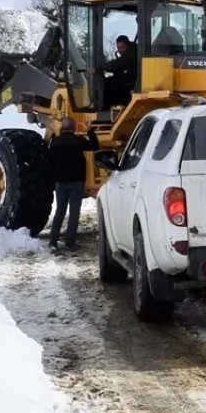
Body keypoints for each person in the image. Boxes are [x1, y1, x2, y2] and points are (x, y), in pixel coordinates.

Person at [46, 117, 99, 251]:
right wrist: (90, 131)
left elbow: (49, 161)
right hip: (76, 182)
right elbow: (94, 146)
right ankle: (70, 242)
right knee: (74, 213)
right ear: (74, 128)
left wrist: (51, 134)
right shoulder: (78, 140)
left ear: (62, 128)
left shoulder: (55, 142)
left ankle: (53, 241)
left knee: (60, 212)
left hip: (60, 183)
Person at [99, 35, 138, 107]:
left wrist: (99, 68)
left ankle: (106, 107)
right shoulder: (133, 50)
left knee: (109, 83)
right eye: (118, 48)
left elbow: (118, 63)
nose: (119, 50)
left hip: (134, 80)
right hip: (132, 76)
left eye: (121, 48)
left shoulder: (131, 53)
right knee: (114, 78)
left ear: (127, 46)